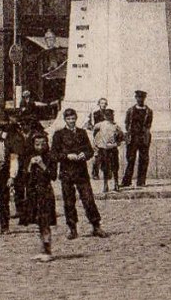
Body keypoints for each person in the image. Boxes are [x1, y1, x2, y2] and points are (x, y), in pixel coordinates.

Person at [50, 107, 104, 238]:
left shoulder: (82, 133)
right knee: (69, 201)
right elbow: (54, 154)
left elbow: (90, 151)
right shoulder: (59, 135)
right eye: (68, 119)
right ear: (65, 120)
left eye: (73, 119)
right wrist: (67, 156)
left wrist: (84, 155)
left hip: (81, 172)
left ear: (76, 119)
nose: (71, 121)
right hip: (67, 172)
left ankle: (96, 226)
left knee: (88, 199)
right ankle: (72, 228)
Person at [19, 132, 58, 262]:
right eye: (37, 144)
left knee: (45, 222)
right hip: (32, 193)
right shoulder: (29, 156)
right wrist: (30, 164)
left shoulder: (50, 157)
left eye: (43, 144)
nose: (40, 147)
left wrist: (42, 165)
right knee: (38, 222)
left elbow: (53, 176)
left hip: (45, 192)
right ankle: (42, 250)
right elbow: (24, 176)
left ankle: (48, 250)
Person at [122, 89, 154, 188]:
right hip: (133, 138)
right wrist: (130, 133)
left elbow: (148, 124)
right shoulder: (130, 110)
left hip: (143, 138)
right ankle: (127, 181)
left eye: (142, 98)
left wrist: (145, 134)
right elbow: (127, 123)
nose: (140, 99)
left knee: (143, 159)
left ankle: (141, 181)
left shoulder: (149, 111)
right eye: (138, 97)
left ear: (144, 98)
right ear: (135, 98)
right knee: (130, 159)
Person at [91, 108, 124, 192]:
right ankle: (105, 185)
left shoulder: (115, 126)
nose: (110, 117)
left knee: (115, 167)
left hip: (113, 148)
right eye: (108, 115)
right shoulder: (100, 124)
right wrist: (95, 142)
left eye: (111, 115)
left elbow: (121, 135)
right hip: (104, 149)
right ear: (105, 116)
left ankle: (116, 184)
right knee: (105, 167)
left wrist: (118, 141)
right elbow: (94, 130)